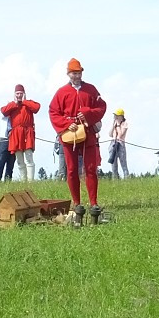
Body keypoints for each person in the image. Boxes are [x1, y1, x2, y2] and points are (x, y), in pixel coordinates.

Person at [49, 58, 107, 225]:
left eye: (79, 72)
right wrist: (68, 124)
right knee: (72, 170)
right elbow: (53, 112)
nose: (77, 75)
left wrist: (87, 113)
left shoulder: (91, 89)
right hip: (69, 135)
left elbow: (101, 107)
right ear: (69, 74)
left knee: (90, 168)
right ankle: (77, 203)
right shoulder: (61, 92)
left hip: (87, 134)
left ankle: (94, 203)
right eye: (74, 73)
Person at [2, 84, 40, 181]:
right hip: (16, 134)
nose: (19, 95)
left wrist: (25, 101)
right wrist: (15, 103)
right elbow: (4, 111)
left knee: (29, 157)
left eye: (21, 93)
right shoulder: (12, 105)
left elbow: (36, 108)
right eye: (17, 93)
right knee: (19, 159)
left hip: (27, 132)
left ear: (24, 94)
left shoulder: (28, 103)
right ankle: (23, 181)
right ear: (14, 94)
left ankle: (30, 181)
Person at [109, 109, 129, 179]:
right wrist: (113, 125)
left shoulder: (125, 124)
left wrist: (118, 125)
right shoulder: (114, 123)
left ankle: (127, 180)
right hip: (113, 143)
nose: (115, 117)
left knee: (123, 164)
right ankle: (115, 181)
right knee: (113, 165)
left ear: (121, 116)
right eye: (115, 116)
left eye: (117, 116)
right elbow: (110, 134)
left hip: (120, 144)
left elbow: (120, 135)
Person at [0, 115, 15, 182]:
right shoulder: (6, 110)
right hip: (4, 138)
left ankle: (8, 180)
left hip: (14, 138)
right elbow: (4, 111)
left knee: (11, 160)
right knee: (1, 160)